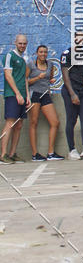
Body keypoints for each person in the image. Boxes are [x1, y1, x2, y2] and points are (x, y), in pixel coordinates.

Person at [60, 35, 83, 160]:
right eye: (78, 39)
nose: (80, 41)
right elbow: (65, 76)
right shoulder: (66, 54)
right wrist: (72, 94)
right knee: (71, 120)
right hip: (70, 90)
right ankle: (72, 150)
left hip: (82, 90)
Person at [26, 45, 63, 161]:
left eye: (45, 52)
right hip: (34, 94)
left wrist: (51, 80)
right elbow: (26, 81)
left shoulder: (50, 64)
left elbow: (49, 77)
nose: (43, 54)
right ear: (37, 53)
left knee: (55, 122)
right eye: (41, 52)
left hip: (46, 94)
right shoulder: (31, 64)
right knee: (34, 122)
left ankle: (51, 153)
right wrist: (37, 78)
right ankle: (34, 154)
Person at [1, 33, 30, 164]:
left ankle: (12, 154)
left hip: (22, 96)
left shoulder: (23, 61)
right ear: (15, 43)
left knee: (19, 125)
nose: (22, 46)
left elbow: (24, 79)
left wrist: (27, 96)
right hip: (12, 95)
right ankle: (3, 154)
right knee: (10, 123)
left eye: (24, 44)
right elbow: (8, 75)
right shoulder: (9, 56)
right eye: (20, 43)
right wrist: (17, 94)